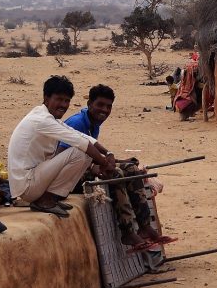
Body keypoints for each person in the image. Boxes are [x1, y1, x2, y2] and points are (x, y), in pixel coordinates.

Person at [62, 84, 175, 249]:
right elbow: (66, 158)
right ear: (89, 104)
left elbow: (90, 155)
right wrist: (100, 167)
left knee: (130, 168)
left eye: (108, 106)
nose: (105, 110)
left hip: (82, 166)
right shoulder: (78, 123)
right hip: (68, 175)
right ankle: (127, 231)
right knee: (115, 173)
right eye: (100, 105)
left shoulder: (93, 122)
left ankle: (144, 226)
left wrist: (123, 160)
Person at [7, 75, 116, 218]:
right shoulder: (41, 120)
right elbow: (81, 142)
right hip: (28, 185)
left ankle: (51, 198)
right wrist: (104, 163)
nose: (64, 105)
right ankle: (46, 199)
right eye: (59, 99)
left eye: (67, 101)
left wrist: (109, 153)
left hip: (35, 179)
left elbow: (81, 136)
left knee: (84, 151)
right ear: (46, 98)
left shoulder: (48, 116)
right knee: (81, 152)